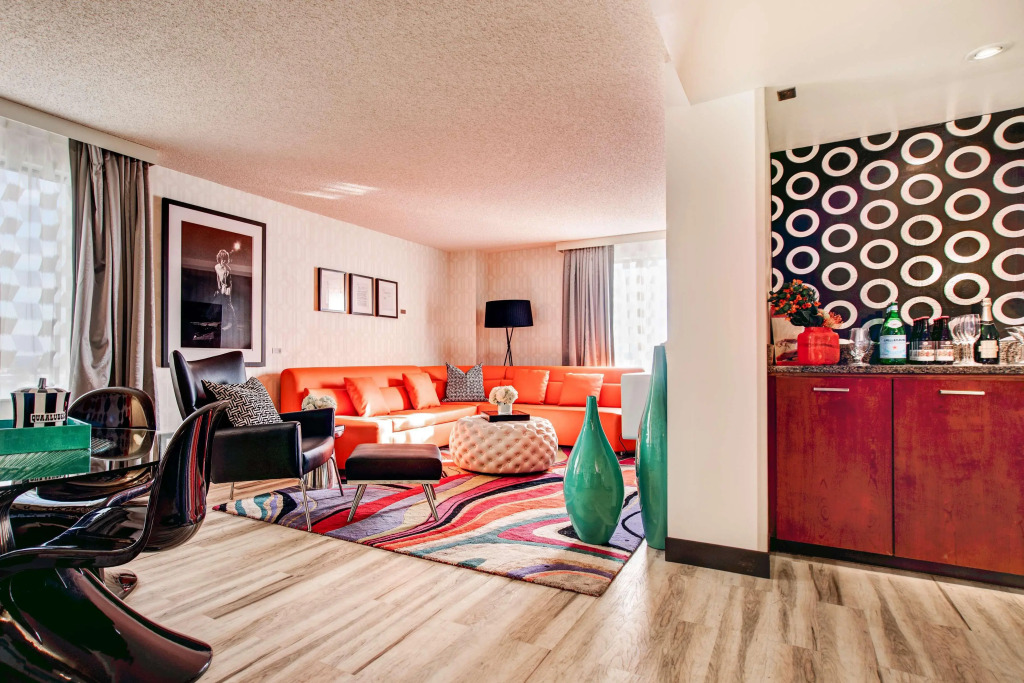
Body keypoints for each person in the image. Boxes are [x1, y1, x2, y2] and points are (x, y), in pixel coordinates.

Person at [213, 249, 235, 333]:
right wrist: (218, 288)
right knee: (219, 303)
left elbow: (228, 282)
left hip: (227, 287)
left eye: (225, 259)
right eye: (222, 259)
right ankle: (219, 321)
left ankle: (231, 322)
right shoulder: (216, 267)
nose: (224, 261)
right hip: (221, 287)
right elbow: (218, 277)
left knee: (228, 304)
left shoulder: (228, 269)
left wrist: (227, 290)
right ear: (219, 259)